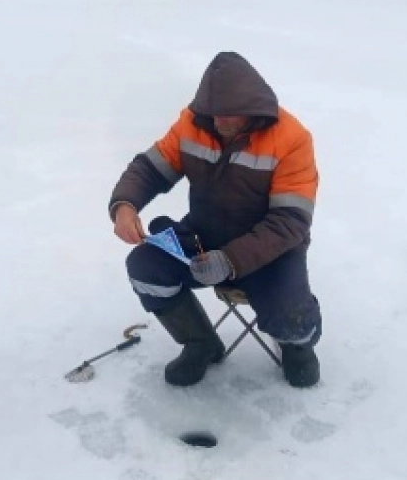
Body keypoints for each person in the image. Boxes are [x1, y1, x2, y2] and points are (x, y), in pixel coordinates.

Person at [109, 51, 323, 388]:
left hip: (271, 252)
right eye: (212, 114)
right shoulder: (194, 122)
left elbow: (290, 223)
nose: (218, 122)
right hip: (203, 238)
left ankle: (297, 347)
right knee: (145, 268)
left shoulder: (292, 139)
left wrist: (231, 261)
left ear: (251, 110)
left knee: (292, 319)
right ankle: (201, 343)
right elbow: (149, 169)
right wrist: (124, 204)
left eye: (227, 116)